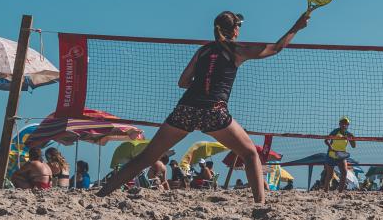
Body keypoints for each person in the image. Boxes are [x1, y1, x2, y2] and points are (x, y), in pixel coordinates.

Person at [98, 10, 309, 203]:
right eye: (239, 26)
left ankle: (101, 195)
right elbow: (276, 48)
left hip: (186, 109)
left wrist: (202, 84)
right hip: (213, 112)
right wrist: (296, 28)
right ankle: (260, 205)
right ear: (234, 30)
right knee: (250, 154)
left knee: (147, 157)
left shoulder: (203, 51)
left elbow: (182, 82)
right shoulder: (236, 51)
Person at [323, 117, 356, 193]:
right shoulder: (335, 131)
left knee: (344, 173)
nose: (344, 125)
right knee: (329, 175)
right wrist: (330, 147)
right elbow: (326, 140)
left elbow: (353, 146)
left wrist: (352, 138)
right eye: (342, 123)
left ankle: (340, 193)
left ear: (348, 125)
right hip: (331, 155)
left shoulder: (349, 134)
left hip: (341, 155)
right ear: (340, 124)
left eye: (346, 123)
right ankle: (325, 191)